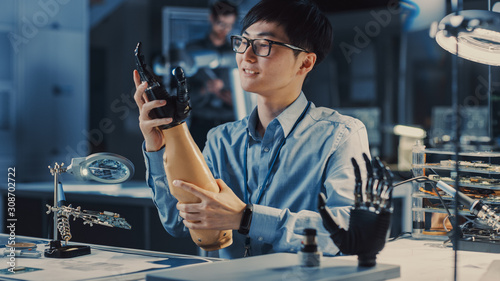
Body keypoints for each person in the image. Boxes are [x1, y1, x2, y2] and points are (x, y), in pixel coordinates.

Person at [133, 0, 370, 259]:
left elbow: (350, 233)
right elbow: (178, 224)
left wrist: (246, 218)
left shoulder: (341, 136)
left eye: (263, 45)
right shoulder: (221, 139)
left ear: (305, 63)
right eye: (243, 42)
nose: (246, 56)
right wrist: (158, 145)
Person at [172, 0, 238, 150]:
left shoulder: (236, 54)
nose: (225, 29)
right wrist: (205, 89)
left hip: (231, 125)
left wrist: (232, 98)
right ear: (211, 18)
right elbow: (181, 95)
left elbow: (246, 92)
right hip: (201, 125)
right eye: (221, 23)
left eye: (229, 25)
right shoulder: (192, 52)